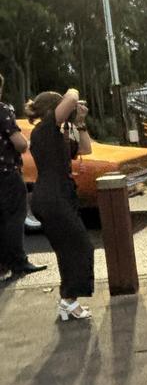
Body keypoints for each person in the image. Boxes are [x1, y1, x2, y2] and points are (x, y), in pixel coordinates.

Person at [25, 89, 94, 319]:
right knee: (80, 246)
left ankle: (68, 300)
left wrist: (81, 122)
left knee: (69, 250)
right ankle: (68, 299)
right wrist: (71, 94)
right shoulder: (43, 130)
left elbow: (85, 149)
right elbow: (73, 97)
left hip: (59, 196)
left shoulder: (57, 134)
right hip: (52, 197)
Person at [0, 73, 46, 280]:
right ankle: (19, 262)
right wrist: (26, 143)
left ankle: (2, 265)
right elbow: (19, 143)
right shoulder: (3, 111)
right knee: (15, 217)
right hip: (7, 173)